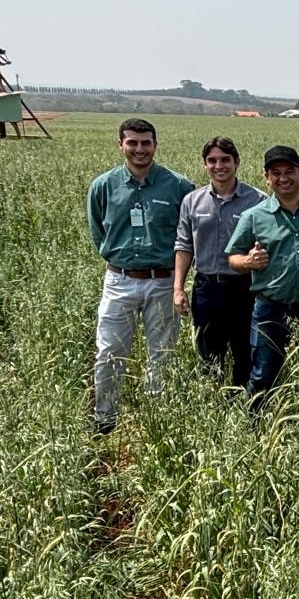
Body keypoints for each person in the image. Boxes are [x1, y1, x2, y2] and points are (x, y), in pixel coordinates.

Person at [86, 118, 194, 433]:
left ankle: (157, 419)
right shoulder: (104, 185)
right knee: (109, 350)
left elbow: (188, 234)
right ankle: (105, 418)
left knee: (162, 351)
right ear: (120, 144)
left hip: (163, 281)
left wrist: (178, 280)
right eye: (132, 142)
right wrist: (117, 259)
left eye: (146, 143)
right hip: (119, 280)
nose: (139, 149)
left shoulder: (177, 185)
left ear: (155, 145)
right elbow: (99, 232)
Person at [226, 146, 299, 411]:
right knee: (263, 371)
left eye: (290, 172)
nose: (283, 178)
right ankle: (256, 425)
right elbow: (232, 258)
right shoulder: (254, 216)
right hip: (270, 306)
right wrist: (248, 262)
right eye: (276, 173)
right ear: (266, 178)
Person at [173, 136, 265, 388]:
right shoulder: (192, 201)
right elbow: (183, 246)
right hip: (206, 287)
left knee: (245, 350)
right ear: (204, 165)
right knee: (208, 353)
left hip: (244, 287)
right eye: (212, 161)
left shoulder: (257, 201)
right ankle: (213, 402)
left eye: (225, 160)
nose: (219, 166)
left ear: (237, 162)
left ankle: (243, 404)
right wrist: (178, 288)